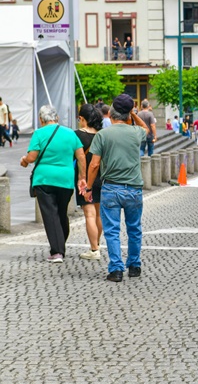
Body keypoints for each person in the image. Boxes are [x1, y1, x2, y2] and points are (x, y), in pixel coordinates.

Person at [85, 94, 149, 282]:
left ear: (110, 114)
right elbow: (145, 128)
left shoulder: (103, 135)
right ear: (128, 115)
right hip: (134, 188)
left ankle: (116, 269)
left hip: (111, 188)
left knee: (112, 230)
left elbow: (94, 164)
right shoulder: (136, 133)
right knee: (134, 229)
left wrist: (89, 186)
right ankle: (135, 266)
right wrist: (133, 115)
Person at [20, 105, 86, 262]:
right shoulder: (70, 133)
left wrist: (24, 160)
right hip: (66, 180)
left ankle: (57, 251)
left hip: (44, 180)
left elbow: (31, 157)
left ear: (41, 120)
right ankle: (60, 244)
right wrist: (81, 177)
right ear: (57, 118)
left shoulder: (39, 133)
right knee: (61, 212)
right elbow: (81, 156)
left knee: (50, 214)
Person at [74, 104, 104, 260]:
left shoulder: (77, 135)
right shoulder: (102, 134)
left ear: (82, 119)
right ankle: (97, 243)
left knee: (89, 215)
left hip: (85, 178)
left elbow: (74, 157)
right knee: (98, 214)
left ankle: (94, 250)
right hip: (101, 177)